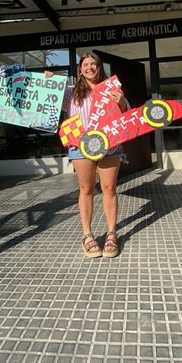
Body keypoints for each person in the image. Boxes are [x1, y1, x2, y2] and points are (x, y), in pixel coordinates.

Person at [45, 52, 128, 259]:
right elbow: (49, 100)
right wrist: (47, 82)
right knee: (86, 188)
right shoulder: (71, 92)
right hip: (80, 146)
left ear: (99, 67)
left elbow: (125, 115)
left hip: (109, 145)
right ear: (80, 69)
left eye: (93, 64)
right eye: (85, 64)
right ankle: (88, 235)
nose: (90, 67)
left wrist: (122, 101)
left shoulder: (112, 89)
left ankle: (111, 233)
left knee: (109, 188)